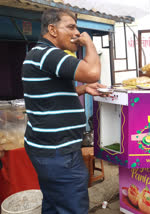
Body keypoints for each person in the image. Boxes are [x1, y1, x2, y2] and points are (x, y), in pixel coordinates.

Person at [22, 8, 107, 213]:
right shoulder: (50, 54)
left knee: (54, 203)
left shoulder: (39, 54)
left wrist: (83, 89)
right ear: (52, 29)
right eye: (70, 27)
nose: (77, 33)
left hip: (48, 148)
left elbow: (52, 92)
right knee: (71, 206)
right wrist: (89, 44)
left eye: (76, 27)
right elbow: (93, 73)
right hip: (58, 151)